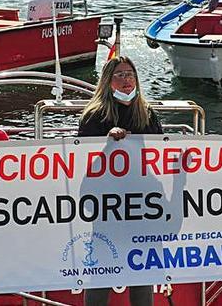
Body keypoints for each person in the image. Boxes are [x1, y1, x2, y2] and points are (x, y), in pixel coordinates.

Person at [77, 56, 159, 305]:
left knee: (142, 273)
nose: (127, 80)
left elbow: (161, 152)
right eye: (120, 75)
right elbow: (80, 159)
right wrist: (106, 142)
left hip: (142, 204)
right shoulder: (94, 116)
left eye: (130, 74)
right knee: (102, 272)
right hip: (107, 206)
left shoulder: (147, 113)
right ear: (108, 81)